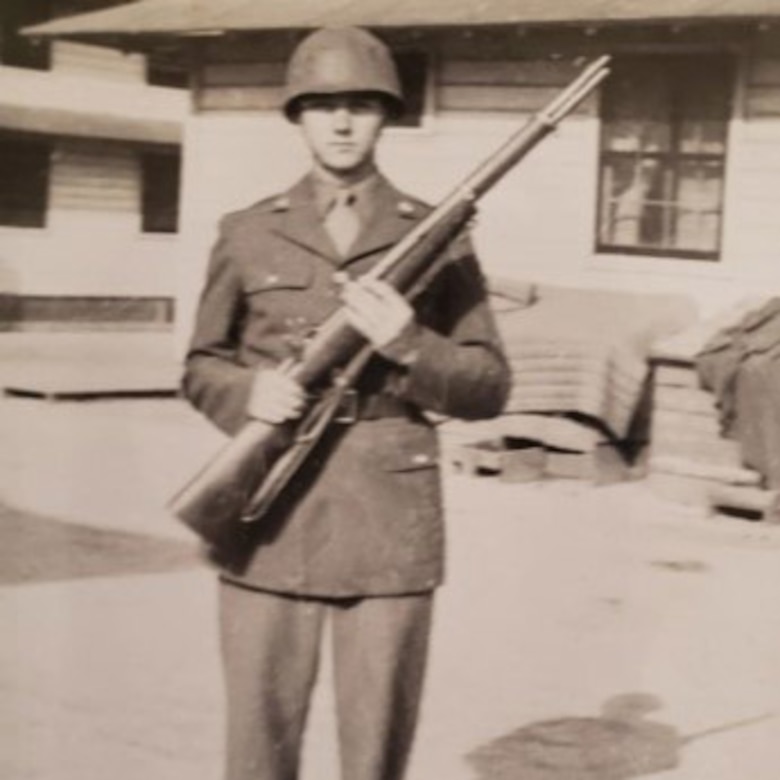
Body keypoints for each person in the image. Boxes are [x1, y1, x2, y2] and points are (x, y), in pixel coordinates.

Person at [182, 25, 511, 780]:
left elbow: (490, 385)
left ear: (385, 116)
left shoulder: (437, 237)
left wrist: (409, 343)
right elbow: (202, 363)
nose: (340, 121)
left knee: (374, 755)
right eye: (323, 104)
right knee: (258, 750)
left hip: (388, 521)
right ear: (296, 115)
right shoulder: (247, 232)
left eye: (361, 104)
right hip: (269, 510)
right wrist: (247, 395)